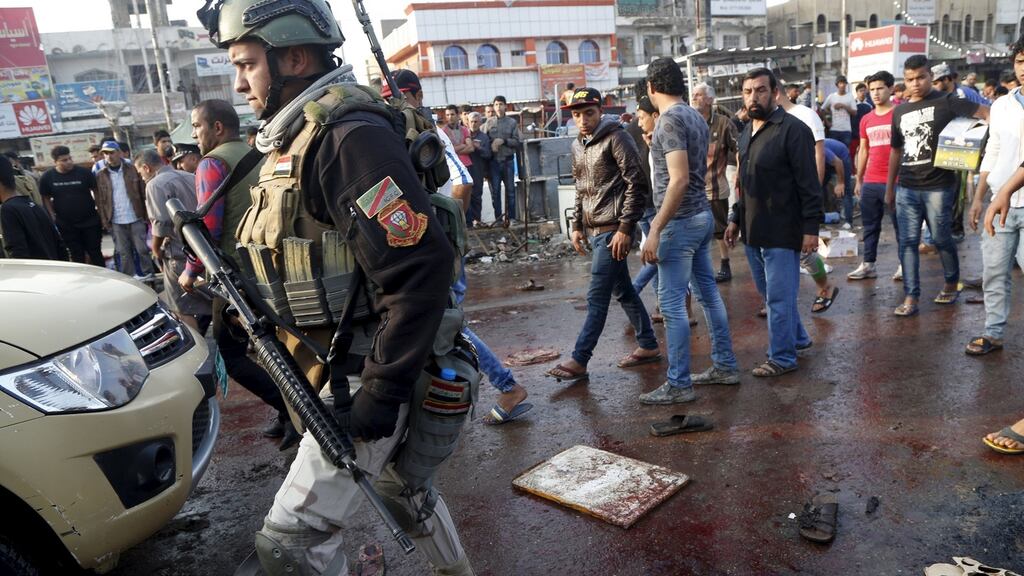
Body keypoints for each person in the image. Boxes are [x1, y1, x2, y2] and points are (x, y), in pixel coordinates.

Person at [203, 0, 473, 573]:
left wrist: (380, 391)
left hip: (366, 369)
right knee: (407, 495)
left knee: (291, 542)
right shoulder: (295, 141)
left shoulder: (347, 140)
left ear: (293, 58)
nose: (239, 82)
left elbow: (418, 269)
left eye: (247, 64)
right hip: (338, 363)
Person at [180, 98, 299, 449]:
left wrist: (189, 272)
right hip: (270, 265)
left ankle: (290, 410)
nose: (194, 134)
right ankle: (288, 414)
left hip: (234, 276)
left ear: (217, 127)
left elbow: (208, 229)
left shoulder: (211, 164)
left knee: (231, 356)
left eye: (197, 126)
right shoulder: (257, 155)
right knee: (277, 347)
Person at [639, 58, 738, 403]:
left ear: (652, 88)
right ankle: (724, 365)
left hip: (680, 221)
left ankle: (679, 384)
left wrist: (655, 227)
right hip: (701, 215)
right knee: (708, 294)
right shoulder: (696, 115)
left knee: (672, 305)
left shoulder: (668, 121)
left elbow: (678, 178)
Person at [545, 87, 660, 385]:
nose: (583, 119)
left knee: (597, 297)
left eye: (589, 113)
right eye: (577, 114)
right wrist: (576, 225)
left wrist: (625, 228)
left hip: (613, 231)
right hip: (594, 230)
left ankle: (580, 359)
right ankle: (648, 344)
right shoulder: (577, 145)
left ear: (600, 111)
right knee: (623, 291)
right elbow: (581, 190)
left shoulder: (617, 137)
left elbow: (637, 184)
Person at [725, 67, 820, 377]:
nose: (754, 97)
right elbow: (743, 181)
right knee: (771, 295)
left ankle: (782, 358)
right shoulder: (744, 132)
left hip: (783, 229)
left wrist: (811, 230)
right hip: (753, 230)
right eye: (748, 91)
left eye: (760, 90)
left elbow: (809, 184)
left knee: (779, 298)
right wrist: (735, 219)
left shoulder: (794, 130)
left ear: (775, 92)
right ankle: (798, 338)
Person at [886, 55, 989, 317]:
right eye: (909, 79)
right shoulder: (899, 111)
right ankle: (911, 296)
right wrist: (890, 187)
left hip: (939, 186)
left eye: (921, 77)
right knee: (907, 243)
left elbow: (985, 115)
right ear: (904, 81)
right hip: (907, 187)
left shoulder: (948, 101)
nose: (916, 83)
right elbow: (896, 151)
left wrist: (973, 145)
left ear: (930, 76)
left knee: (942, 238)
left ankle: (951, 282)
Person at [964, 38, 1024, 356]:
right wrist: (978, 197)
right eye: (1020, 61)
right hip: (1000, 204)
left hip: (1013, 198)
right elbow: (993, 151)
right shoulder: (1002, 105)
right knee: (995, 271)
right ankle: (993, 332)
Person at [776, 89, 841, 315]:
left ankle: (824, 287)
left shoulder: (805, 115)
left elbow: (819, 154)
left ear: (775, 92)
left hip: (802, 194)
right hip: (781, 196)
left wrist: (813, 194)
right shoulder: (771, 118)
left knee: (804, 248)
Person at [135, 148, 211, 330]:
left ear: (146, 168)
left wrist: (155, 250)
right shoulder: (187, 175)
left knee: (181, 308)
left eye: (140, 173)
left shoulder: (155, 185)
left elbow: (160, 225)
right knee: (213, 299)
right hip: (202, 249)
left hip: (177, 253)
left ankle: (199, 350)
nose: (141, 177)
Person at [850, 70, 901, 281]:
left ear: (890, 88)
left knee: (901, 226)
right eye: (872, 89)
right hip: (871, 181)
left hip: (897, 181)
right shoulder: (866, 119)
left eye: (880, 88)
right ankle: (869, 265)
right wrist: (859, 179)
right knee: (870, 226)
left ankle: (904, 265)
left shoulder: (900, 114)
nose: (876, 93)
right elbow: (863, 150)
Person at [690, 82, 738, 283]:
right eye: (693, 95)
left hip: (716, 188)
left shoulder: (723, 124)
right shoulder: (689, 122)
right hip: (693, 190)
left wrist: (740, 176)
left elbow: (739, 150)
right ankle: (700, 270)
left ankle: (725, 264)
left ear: (709, 99)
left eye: (698, 95)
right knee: (695, 232)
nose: (694, 98)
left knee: (719, 230)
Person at [94, 140, 154, 280]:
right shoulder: (101, 175)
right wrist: (104, 220)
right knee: (123, 252)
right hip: (115, 219)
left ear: (119, 153)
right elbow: (101, 201)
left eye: (111, 153)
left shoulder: (132, 169)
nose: (109, 156)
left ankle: (149, 275)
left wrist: (147, 215)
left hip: (136, 215)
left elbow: (143, 192)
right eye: (105, 154)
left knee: (142, 250)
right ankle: (130, 279)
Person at [38, 145, 104, 266]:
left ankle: (105, 280)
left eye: (70, 158)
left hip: (90, 221)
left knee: (95, 252)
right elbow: (45, 197)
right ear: (55, 162)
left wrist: (99, 210)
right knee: (76, 254)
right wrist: (52, 216)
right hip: (66, 224)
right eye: (64, 160)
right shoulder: (47, 177)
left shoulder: (84, 173)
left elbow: (96, 190)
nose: (69, 162)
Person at [0, 155, 64, 260]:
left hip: (33, 274)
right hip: (52, 271)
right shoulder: (34, 205)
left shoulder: (8, 210)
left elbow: (18, 255)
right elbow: (59, 246)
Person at [483, 95, 521, 224]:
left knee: (510, 191)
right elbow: (483, 140)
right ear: (493, 107)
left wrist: (503, 141)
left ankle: (512, 218)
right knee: (496, 193)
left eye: (501, 104)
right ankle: (498, 219)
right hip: (493, 163)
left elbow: (517, 141)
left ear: (505, 106)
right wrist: (491, 143)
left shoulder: (512, 122)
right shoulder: (488, 123)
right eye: (496, 105)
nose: (499, 107)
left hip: (508, 161)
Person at [465, 111, 491, 226]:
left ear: (480, 122)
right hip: (465, 169)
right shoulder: (464, 135)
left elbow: (488, 154)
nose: (473, 124)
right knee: (466, 196)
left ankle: (477, 220)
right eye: (471, 122)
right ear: (467, 122)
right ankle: (468, 222)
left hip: (478, 170)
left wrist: (478, 148)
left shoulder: (484, 137)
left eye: (476, 122)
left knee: (477, 196)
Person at [824, 138, 854, 228]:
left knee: (845, 189)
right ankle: (822, 215)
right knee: (819, 186)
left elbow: (838, 162)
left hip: (841, 158)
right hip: (828, 162)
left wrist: (840, 182)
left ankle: (848, 221)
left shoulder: (821, 149)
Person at [822, 75, 856, 146]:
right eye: (840, 83)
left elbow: (854, 113)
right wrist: (827, 122)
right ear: (837, 85)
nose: (843, 85)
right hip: (834, 129)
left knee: (845, 152)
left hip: (846, 130)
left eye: (844, 83)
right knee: (834, 152)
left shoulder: (850, 96)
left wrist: (843, 106)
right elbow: (822, 109)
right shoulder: (832, 96)